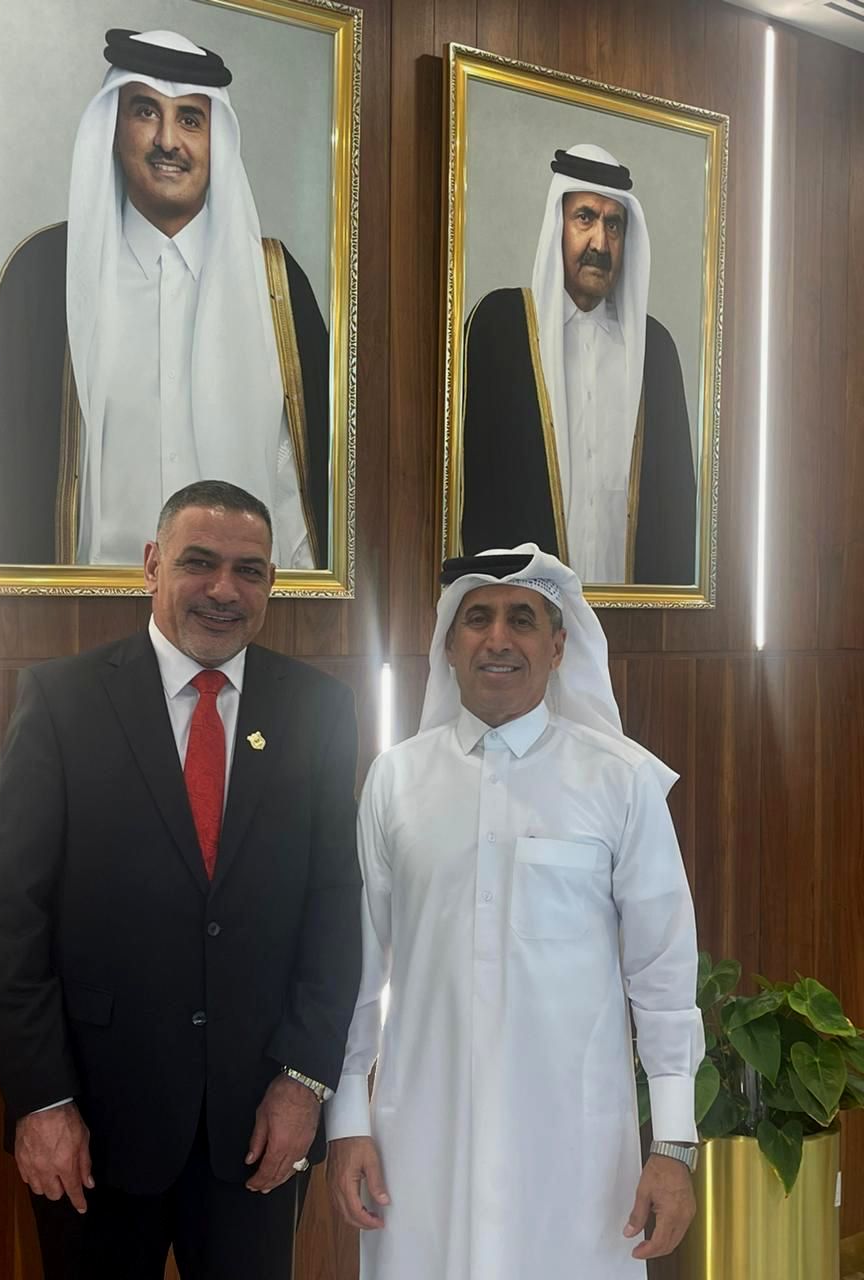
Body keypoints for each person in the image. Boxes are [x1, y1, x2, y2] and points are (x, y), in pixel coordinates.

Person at [0, 479, 361, 1279]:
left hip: (259, 1125)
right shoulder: (62, 700)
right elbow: (9, 916)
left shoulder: (318, 710)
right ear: (152, 565)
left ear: (271, 584)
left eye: (249, 570)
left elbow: (334, 910)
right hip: (93, 1125)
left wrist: (304, 1083)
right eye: (198, 562)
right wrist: (41, 1100)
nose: (224, 590)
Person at [325, 544, 704, 1279]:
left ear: (558, 647)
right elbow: (359, 973)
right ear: (449, 644)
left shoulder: (620, 781)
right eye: (477, 619)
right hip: (424, 1145)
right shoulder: (395, 780)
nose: (498, 638)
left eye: (522, 619)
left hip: (574, 1152)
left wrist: (673, 1144)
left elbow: (663, 975)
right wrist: (347, 1122)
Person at [0, 29, 329, 569]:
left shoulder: (276, 286)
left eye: (190, 119)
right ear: (114, 130)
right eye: (146, 112)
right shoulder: (42, 277)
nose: (168, 140)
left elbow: (297, 493)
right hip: (80, 606)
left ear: (217, 141)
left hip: (236, 607)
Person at [462, 144, 697, 585]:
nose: (600, 243)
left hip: (628, 609)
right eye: (585, 218)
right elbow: (476, 494)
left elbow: (676, 508)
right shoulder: (502, 330)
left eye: (613, 224)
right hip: (529, 610)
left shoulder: (655, 351)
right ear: (558, 225)